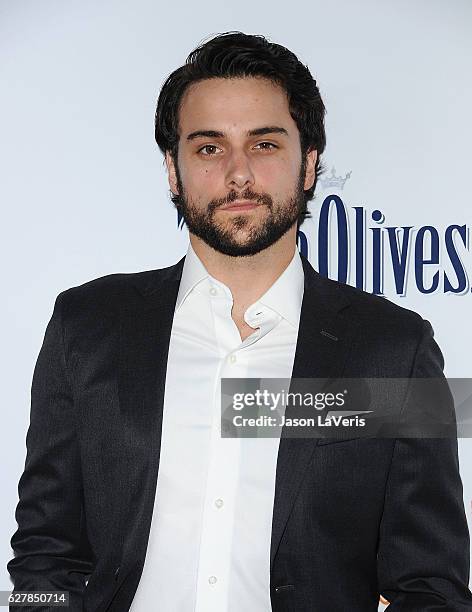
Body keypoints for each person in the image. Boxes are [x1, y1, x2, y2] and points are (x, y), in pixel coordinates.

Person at [7, 31, 472, 612]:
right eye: (208, 148)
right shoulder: (86, 326)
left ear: (309, 164)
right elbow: (45, 556)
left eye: (264, 145)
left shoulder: (396, 349)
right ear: (173, 172)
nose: (238, 173)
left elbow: (431, 586)